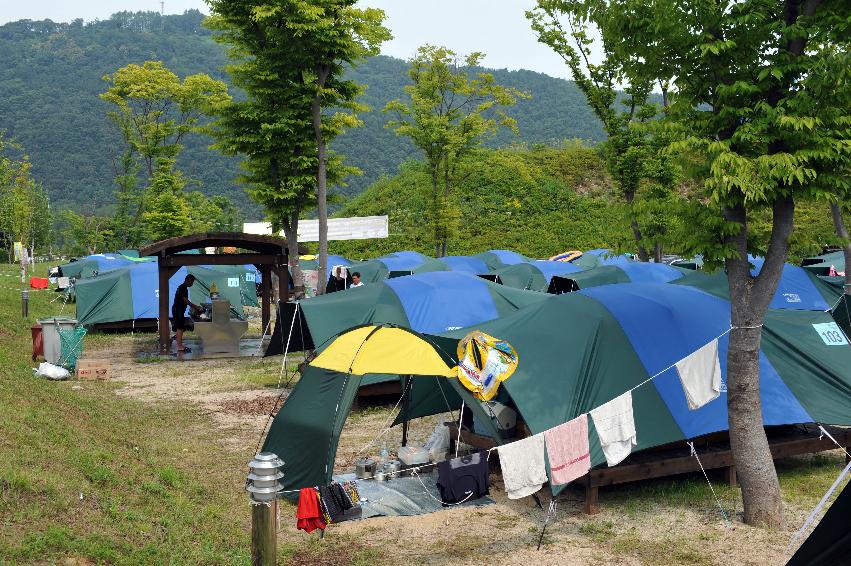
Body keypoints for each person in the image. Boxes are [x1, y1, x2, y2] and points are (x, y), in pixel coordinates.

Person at [172, 274, 203, 353]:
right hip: (178, 310)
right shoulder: (183, 288)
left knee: (180, 328)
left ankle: (180, 345)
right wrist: (195, 306)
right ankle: (180, 346)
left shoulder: (182, 287)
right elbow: (185, 300)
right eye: (192, 282)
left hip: (178, 310)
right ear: (188, 280)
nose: (192, 284)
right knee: (180, 328)